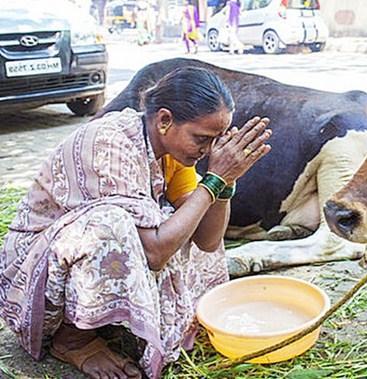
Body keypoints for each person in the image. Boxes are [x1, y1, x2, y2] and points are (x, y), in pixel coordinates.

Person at [0, 67, 271, 379]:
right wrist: (214, 180)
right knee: (112, 223)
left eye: (215, 141)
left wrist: (226, 183)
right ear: (165, 120)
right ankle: (72, 338)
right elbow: (155, 252)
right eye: (201, 139)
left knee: (187, 215)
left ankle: (117, 323)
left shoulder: (172, 151)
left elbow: (207, 243)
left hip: (75, 259)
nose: (208, 150)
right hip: (33, 268)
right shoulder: (109, 142)